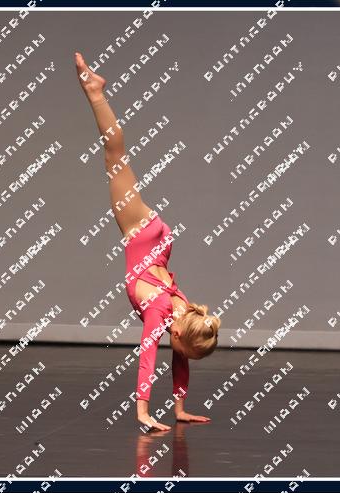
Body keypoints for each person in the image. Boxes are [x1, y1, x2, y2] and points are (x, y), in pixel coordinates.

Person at [75, 52, 221, 431]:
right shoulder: (163, 312)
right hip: (140, 231)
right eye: (183, 348)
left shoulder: (187, 314)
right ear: (178, 333)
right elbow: (147, 356)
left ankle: (96, 92)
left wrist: (179, 409)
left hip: (156, 240)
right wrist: (142, 412)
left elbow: (179, 359)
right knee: (114, 155)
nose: (181, 356)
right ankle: (95, 92)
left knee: (116, 157)